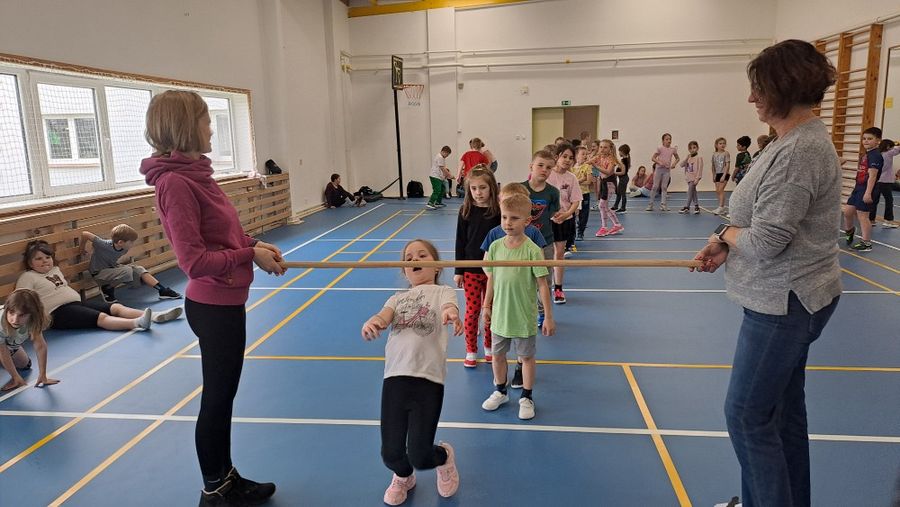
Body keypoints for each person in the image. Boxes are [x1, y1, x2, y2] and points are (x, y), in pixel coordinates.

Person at [692, 39, 842, 507]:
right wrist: (725, 240)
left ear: (784, 88)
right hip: (792, 298)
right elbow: (758, 223)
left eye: (759, 88)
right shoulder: (791, 142)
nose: (751, 98)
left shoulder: (798, 151)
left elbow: (766, 241)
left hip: (784, 303)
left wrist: (727, 234)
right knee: (781, 415)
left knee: (746, 415)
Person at [141, 90, 286, 506]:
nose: (211, 129)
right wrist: (248, 255)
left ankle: (226, 477)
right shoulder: (175, 184)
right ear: (186, 126)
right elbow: (194, 261)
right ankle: (214, 490)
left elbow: (225, 235)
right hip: (212, 305)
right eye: (206, 121)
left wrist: (255, 245)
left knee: (224, 398)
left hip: (227, 302)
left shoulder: (198, 175)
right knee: (217, 400)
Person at [361, 239, 462, 506]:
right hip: (395, 378)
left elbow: (449, 307)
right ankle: (403, 477)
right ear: (405, 271)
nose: (414, 259)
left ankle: (444, 457)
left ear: (437, 266)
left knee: (420, 455)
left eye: (421, 255)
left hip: (428, 379)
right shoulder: (397, 298)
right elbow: (383, 316)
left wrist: (451, 314)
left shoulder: (443, 291)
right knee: (391, 455)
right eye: (408, 258)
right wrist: (374, 321)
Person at [481, 193, 555, 420]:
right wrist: (486, 305)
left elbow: (542, 285)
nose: (508, 223)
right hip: (500, 315)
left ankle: (527, 396)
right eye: (504, 217)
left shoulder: (532, 249)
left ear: (527, 221)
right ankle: (500, 391)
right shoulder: (495, 247)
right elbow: (492, 278)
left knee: (526, 358)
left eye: (514, 218)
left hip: (523, 315)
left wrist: (548, 316)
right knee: (497, 355)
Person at [16, 240, 181, 331]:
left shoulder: (55, 270)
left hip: (75, 304)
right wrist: (32, 321)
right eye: (38, 259)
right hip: (57, 313)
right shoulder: (28, 277)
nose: (44, 261)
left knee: (115, 308)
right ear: (30, 263)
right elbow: (21, 301)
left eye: (47, 257)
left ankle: (156, 316)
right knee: (101, 318)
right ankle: (137, 323)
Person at [454, 168, 500, 368]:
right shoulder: (465, 211)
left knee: (491, 310)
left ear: (491, 188)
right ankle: (471, 349)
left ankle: (489, 346)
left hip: (493, 271)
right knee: (473, 311)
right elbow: (460, 241)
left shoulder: (498, 212)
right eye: (473, 188)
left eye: (482, 188)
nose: (478, 192)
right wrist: (458, 270)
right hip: (471, 269)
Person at [81, 224, 182, 303]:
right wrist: (81, 248)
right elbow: (85, 234)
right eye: (131, 242)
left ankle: (162, 290)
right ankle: (107, 288)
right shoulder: (103, 244)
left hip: (112, 269)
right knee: (127, 271)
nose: (132, 244)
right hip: (99, 273)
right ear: (120, 242)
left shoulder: (124, 249)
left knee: (139, 269)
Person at [523, 150, 561, 328]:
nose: (544, 170)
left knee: (544, 280)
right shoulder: (521, 189)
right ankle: (524, 311)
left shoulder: (553, 192)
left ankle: (542, 313)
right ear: (531, 166)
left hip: (545, 242)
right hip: (522, 242)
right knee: (523, 279)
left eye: (549, 167)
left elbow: (552, 213)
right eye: (540, 165)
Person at [0, 289, 58, 392]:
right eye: (11, 313)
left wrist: (43, 375)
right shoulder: (1, 322)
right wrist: (15, 377)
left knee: (25, 365)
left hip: (9, 346)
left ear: (32, 314)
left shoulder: (33, 320)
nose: (15, 319)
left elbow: (40, 346)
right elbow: (2, 352)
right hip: (2, 348)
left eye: (21, 315)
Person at [546, 144, 580, 303]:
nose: (567, 160)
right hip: (547, 220)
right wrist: (551, 214)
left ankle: (558, 288)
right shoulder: (547, 174)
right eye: (564, 156)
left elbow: (575, 201)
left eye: (571, 158)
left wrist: (566, 214)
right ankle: (543, 286)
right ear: (556, 157)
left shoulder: (571, 178)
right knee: (544, 254)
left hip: (564, 220)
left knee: (559, 253)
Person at [841, 127, 884, 252]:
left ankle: (866, 243)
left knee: (863, 215)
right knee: (848, 212)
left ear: (878, 141)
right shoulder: (866, 154)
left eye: (870, 139)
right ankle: (850, 231)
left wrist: (868, 193)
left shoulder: (875, 155)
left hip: (866, 188)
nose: (866, 141)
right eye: (864, 138)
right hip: (858, 187)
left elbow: (873, 176)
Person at [594, 139, 624, 237]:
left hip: (609, 184)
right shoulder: (600, 157)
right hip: (603, 184)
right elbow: (589, 161)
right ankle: (617, 225)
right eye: (601, 147)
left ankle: (604, 227)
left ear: (610, 149)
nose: (602, 149)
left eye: (605, 147)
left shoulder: (611, 159)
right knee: (604, 206)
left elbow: (607, 172)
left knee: (602, 205)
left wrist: (595, 165)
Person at [869, 138, 899, 228]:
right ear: (888, 147)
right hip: (885, 181)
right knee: (889, 200)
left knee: (875, 200)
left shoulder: (878, 154)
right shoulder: (888, 153)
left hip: (877, 180)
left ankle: (871, 219)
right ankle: (888, 220)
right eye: (891, 147)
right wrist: (897, 143)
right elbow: (898, 149)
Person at [647, 133, 679, 212]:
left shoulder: (672, 149)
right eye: (667, 139)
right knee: (655, 186)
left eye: (670, 139)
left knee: (664, 187)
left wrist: (674, 164)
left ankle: (663, 205)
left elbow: (677, 158)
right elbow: (653, 158)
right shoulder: (660, 148)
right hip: (659, 170)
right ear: (663, 141)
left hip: (666, 171)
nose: (669, 141)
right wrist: (659, 162)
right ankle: (650, 204)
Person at [572, 146, 595, 241]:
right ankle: (572, 233)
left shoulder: (587, 167)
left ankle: (580, 232)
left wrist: (577, 181)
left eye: (586, 154)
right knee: (572, 214)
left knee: (583, 214)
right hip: (574, 194)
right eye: (583, 154)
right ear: (577, 156)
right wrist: (581, 180)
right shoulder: (572, 168)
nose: (585, 156)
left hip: (584, 193)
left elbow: (589, 181)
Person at [679, 141, 703, 214]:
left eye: (694, 147)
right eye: (690, 148)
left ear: (697, 148)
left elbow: (700, 169)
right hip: (688, 178)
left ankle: (687, 207)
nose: (692, 150)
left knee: (690, 191)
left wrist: (697, 178)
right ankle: (696, 206)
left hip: (694, 178)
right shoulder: (689, 158)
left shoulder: (699, 158)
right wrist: (686, 158)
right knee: (693, 192)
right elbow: (681, 165)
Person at [711, 137, 731, 215]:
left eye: (724, 143)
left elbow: (727, 165)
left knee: (721, 189)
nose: (722, 145)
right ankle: (721, 207)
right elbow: (713, 166)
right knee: (717, 191)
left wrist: (724, 175)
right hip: (717, 174)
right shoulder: (714, 154)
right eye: (720, 143)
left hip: (724, 173)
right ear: (716, 145)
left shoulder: (726, 153)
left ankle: (721, 207)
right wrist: (714, 175)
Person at [612, 144, 631, 212]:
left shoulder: (624, 160)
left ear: (622, 152)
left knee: (622, 193)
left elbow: (623, 172)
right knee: (619, 193)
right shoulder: (624, 160)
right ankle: (615, 205)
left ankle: (623, 207)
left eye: (619, 151)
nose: (619, 153)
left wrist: (614, 173)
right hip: (623, 179)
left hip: (623, 179)